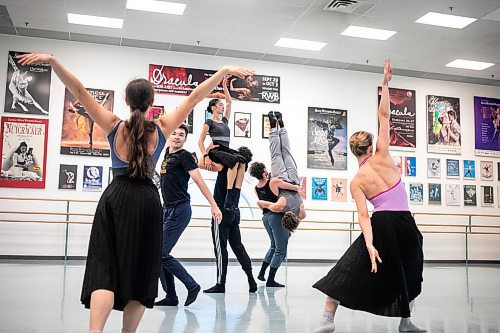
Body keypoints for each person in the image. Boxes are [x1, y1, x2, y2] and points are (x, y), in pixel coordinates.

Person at [17, 52, 253, 333]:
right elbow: (193, 97)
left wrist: (54, 61)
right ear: (151, 103)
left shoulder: (114, 125)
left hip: (116, 197)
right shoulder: (163, 127)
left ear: (127, 102)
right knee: (141, 271)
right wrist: (223, 69)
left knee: (104, 269)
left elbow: (78, 90)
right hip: (147, 200)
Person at [312, 59, 425, 333]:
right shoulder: (384, 155)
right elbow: (385, 116)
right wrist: (385, 84)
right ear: (372, 145)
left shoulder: (357, 181)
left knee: (348, 267)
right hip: (405, 224)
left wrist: (370, 245)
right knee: (406, 270)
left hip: (382, 224)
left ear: (352, 152)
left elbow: (364, 215)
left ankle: (327, 320)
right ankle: (406, 322)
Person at [155, 124, 222, 307]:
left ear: (185, 139)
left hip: (180, 210)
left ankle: (192, 285)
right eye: (174, 133)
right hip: (166, 209)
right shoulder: (167, 154)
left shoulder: (184, 156)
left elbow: (199, 181)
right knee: (159, 253)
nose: (177, 137)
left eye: (181, 135)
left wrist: (214, 205)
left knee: (160, 253)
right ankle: (171, 296)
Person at [198, 76, 252, 211]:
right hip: (216, 150)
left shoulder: (224, 121)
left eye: (222, 105)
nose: (222, 107)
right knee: (234, 161)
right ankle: (228, 195)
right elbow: (200, 142)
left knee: (243, 161)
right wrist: (206, 156)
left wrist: (225, 86)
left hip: (225, 151)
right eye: (219, 105)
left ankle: (235, 196)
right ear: (213, 108)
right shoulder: (209, 123)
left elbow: (229, 102)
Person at [203, 163, 258, 294]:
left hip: (221, 212)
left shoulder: (225, 167)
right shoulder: (241, 172)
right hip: (234, 211)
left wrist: (201, 144)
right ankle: (251, 279)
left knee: (220, 249)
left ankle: (220, 284)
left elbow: (202, 162)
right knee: (238, 247)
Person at [256, 111, 306, 234]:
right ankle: (273, 126)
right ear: (284, 218)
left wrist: (291, 231)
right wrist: (269, 206)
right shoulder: (280, 206)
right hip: (282, 178)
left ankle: (282, 126)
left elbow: (300, 219)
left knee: (286, 152)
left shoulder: (302, 213)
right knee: (276, 154)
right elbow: (260, 202)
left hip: (294, 178)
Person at [249, 162, 289, 287]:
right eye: (265, 169)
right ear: (263, 172)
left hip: (265, 217)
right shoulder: (272, 182)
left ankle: (261, 273)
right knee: (281, 249)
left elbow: (262, 204)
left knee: (273, 246)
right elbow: (289, 187)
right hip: (276, 216)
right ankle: (271, 280)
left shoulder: (256, 188)